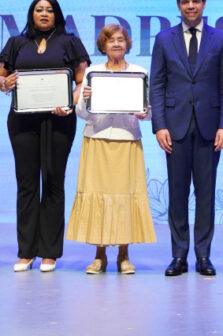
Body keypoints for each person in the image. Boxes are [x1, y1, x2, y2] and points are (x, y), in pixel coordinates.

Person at [0, 0, 90, 272]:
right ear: (31, 14)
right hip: (22, 121)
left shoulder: (70, 41)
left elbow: (82, 79)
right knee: (26, 184)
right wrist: (5, 82)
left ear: (57, 14)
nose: (44, 14)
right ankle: (26, 251)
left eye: (49, 10)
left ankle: (49, 252)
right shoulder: (16, 43)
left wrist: (72, 100)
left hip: (59, 120)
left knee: (52, 181)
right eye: (39, 10)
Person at [150, 0, 223, 276]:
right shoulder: (163, 39)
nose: (190, 6)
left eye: (195, 1)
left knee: (206, 195)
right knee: (176, 196)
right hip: (174, 128)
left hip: (210, 128)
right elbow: (157, 85)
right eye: (185, 2)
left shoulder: (220, 39)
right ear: (178, 6)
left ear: (204, 3)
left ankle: (203, 256)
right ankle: (178, 257)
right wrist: (159, 126)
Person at [67, 24, 157, 274]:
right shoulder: (93, 72)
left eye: (120, 40)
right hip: (97, 138)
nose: (116, 44)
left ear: (127, 44)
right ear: (103, 46)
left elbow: (148, 112)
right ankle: (99, 256)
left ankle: (124, 256)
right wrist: (84, 97)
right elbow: (82, 113)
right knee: (99, 196)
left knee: (125, 197)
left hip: (127, 139)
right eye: (111, 41)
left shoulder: (139, 72)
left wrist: (144, 113)